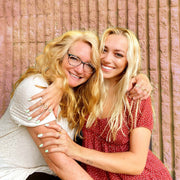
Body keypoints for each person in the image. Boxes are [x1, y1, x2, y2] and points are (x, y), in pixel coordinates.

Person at [38, 27, 172, 179]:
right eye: (104, 50)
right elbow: (58, 68)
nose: (107, 59)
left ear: (128, 61)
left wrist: (75, 151)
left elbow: (136, 164)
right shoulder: (85, 87)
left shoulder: (135, 96)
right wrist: (59, 83)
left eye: (118, 54)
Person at [0, 30, 103, 180]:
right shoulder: (35, 89)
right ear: (60, 56)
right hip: (12, 174)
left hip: (47, 174)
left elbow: (118, 76)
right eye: (74, 58)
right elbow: (59, 163)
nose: (80, 69)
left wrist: (140, 81)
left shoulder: (78, 96)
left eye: (89, 65)